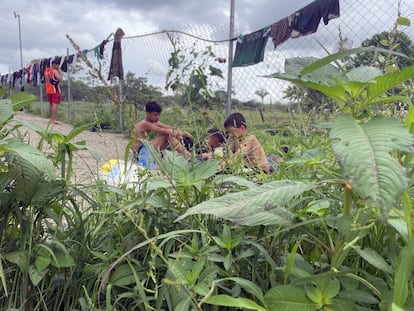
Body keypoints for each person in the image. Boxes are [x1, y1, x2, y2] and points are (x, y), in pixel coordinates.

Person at [131, 101, 192, 169]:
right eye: (155, 115)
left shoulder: (152, 122)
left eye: (159, 115)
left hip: (145, 147)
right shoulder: (145, 124)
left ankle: (186, 154)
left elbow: (169, 127)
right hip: (140, 151)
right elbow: (166, 131)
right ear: (148, 114)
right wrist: (183, 134)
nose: (158, 117)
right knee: (166, 135)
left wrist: (182, 132)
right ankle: (188, 156)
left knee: (169, 134)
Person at [44, 59, 63, 124]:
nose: (58, 66)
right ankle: (53, 119)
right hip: (54, 90)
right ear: (55, 64)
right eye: (58, 65)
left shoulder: (46, 70)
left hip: (48, 89)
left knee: (51, 105)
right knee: (55, 105)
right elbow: (60, 79)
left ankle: (50, 119)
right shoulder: (54, 71)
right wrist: (60, 71)